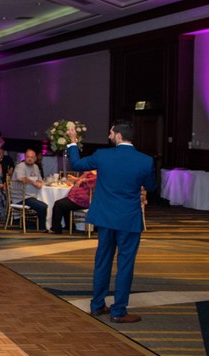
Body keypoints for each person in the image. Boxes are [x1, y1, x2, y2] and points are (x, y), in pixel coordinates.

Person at [67, 120, 157, 324]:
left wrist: (73, 141)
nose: (108, 136)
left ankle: (97, 305)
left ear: (118, 136)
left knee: (102, 261)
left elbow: (77, 164)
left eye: (110, 133)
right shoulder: (145, 161)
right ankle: (118, 311)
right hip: (128, 219)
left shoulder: (103, 155)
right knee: (125, 265)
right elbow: (150, 186)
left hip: (105, 218)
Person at [13, 149, 48, 231]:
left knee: (48, 203)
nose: (29, 159)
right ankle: (42, 228)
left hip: (33, 195)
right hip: (22, 197)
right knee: (43, 206)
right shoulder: (20, 166)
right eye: (28, 157)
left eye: (32, 157)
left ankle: (37, 224)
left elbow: (39, 179)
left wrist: (39, 182)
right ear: (25, 157)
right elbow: (21, 178)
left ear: (35, 158)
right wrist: (33, 182)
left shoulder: (35, 167)